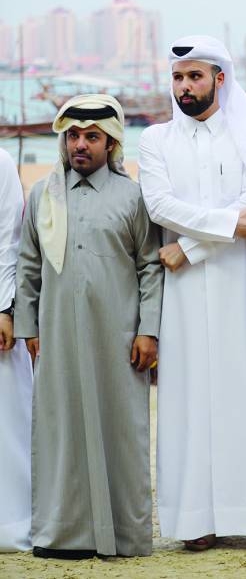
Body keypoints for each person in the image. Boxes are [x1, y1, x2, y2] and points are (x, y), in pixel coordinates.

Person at [138, 35, 246, 551]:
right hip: (182, 298)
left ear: (219, 80)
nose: (185, 86)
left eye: (195, 76)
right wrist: (216, 231)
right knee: (187, 401)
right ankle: (195, 522)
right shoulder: (155, 141)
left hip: (240, 287)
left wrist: (190, 249)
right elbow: (160, 206)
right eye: (179, 78)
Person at [15, 95, 163, 558]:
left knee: (122, 432)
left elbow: (150, 268)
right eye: (73, 136)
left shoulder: (133, 196)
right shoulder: (44, 194)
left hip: (117, 337)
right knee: (59, 431)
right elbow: (28, 265)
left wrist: (148, 330)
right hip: (56, 335)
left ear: (111, 143)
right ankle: (62, 534)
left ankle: (122, 536)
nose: (81, 145)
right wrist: (29, 328)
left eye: (92, 137)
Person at [0, 147, 31, 553]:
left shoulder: (1, 162)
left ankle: (13, 521)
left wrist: (5, 308)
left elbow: (10, 241)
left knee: (9, 422)